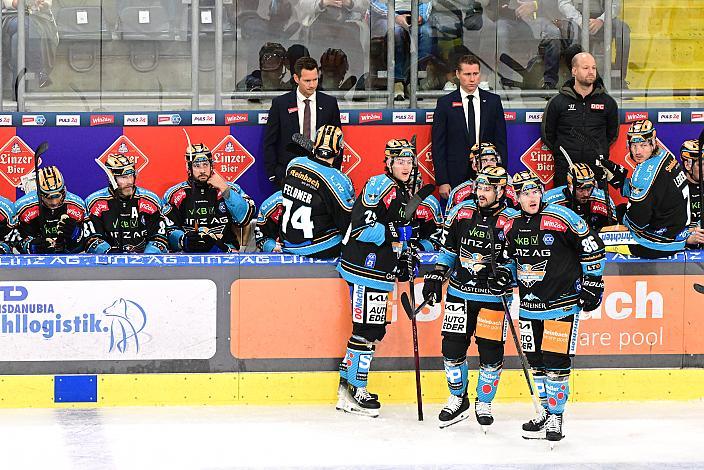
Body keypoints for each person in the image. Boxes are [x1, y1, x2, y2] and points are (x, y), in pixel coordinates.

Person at [497, 170, 605, 443]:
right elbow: (511, 260)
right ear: (516, 197)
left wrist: (593, 283)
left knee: (556, 363)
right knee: (537, 363)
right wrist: (502, 275)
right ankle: (546, 411)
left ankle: (556, 416)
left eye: (535, 191)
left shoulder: (561, 217)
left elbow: (592, 247)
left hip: (562, 304)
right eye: (524, 193)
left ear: (541, 192)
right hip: (529, 307)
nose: (531, 197)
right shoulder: (511, 224)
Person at [422, 166, 518, 429]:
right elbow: (448, 249)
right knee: (451, 348)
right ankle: (458, 398)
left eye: (487, 188)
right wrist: (437, 274)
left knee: (490, 351)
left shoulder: (512, 219)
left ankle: (484, 401)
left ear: (501, 191)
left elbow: (519, 259)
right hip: (459, 293)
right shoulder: (460, 212)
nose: (480, 193)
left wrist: (507, 276)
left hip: (493, 299)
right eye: (478, 187)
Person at [335, 138, 419, 417]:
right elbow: (363, 229)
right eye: (401, 161)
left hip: (380, 272)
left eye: (409, 161)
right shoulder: (379, 185)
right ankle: (355, 391)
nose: (406, 166)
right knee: (366, 331)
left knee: (372, 330)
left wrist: (404, 252)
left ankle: (346, 390)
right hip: (364, 269)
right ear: (389, 162)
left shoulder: (402, 191)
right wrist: (395, 237)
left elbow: (399, 229)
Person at [599, 120, 690, 259]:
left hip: (658, 244)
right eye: (634, 145)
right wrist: (617, 179)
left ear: (653, 143)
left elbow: (637, 223)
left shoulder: (644, 173)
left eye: (643, 145)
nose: (638, 151)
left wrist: (622, 221)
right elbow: (651, 192)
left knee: (598, 238)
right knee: (623, 210)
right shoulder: (665, 156)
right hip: (678, 234)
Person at [432, 54, 507, 199]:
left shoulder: (493, 102)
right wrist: (442, 180)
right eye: (467, 74)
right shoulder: (445, 103)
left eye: (475, 74)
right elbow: (438, 145)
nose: (472, 79)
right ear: (457, 74)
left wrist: (501, 174)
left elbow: (501, 142)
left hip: (487, 173)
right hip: (455, 175)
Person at [541, 52, 618, 187]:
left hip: (597, 169)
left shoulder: (608, 102)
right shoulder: (557, 102)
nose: (591, 72)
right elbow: (548, 135)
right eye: (586, 68)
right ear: (574, 71)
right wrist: (564, 153)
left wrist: (597, 151)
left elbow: (611, 135)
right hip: (566, 169)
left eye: (593, 68)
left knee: (597, 208)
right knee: (564, 208)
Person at [162, 143, 256, 253]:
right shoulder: (175, 194)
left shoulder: (230, 188)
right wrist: (184, 240)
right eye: (197, 166)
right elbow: (167, 229)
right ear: (188, 167)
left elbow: (244, 219)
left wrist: (224, 189)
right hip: (189, 252)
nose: (202, 170)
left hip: (226, 251)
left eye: (205, 164)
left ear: (212, 165)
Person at [263, 57, 342, 187]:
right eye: (307, 80)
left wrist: (333, 170)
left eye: (315, 79)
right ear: (296, 78)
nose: (312, 85)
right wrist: (274, 174)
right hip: (288, 174)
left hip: (321, 174)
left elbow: (337, 140)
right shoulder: (280, 104)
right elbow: (270, 142)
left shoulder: (330, 103)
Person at [279, 125, 355, 258]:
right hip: (314, 248)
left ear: (315, 146)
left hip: (287, 242)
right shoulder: (340, 179)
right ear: (338, 151)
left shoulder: (293, 164)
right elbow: (348, 225)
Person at [85, 154, 168, 254]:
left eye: (131, 176)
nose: (129, 181)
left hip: (145, 264)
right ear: (111, 178)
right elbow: (92, 238)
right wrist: (109, 253)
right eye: (123, 177)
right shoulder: (95, 202)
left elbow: (160, 237)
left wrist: (147, 258)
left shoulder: (150, 201)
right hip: (108, 265)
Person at [369, 0, 434, 100]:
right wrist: (394, 16)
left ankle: (413, 80)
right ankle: (397, 81)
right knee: (396, 33)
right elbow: (373, 2)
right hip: (387, 15)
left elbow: (427, 1)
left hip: (415, 12)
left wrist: (421, 16)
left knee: (427, 34)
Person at [558, 0, 630, 89]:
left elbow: (615, 5)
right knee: (571, 32)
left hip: (603, 16)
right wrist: (580, 20)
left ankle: (619, 80)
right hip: (576, 17)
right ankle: (573, 79)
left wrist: (601, 20)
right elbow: (564, 4)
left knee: (624, 30)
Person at [14, 166, 86, 254]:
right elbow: (16, 241)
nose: (54, 202)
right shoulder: (23, 207)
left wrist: (77, 234)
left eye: (57, 196)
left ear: (63, 191)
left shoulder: (77, 206)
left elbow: (88, 240)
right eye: (48, 197)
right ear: (39, 194)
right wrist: (30, 246)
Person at [494, 0, 562, 90]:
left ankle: (549, 82)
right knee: (499, 32)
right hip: (510, 19)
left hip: (539, 18)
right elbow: (494, 4)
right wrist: (514, 10)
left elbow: (553, 2)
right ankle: (507, 80)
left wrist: (535, 5)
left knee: (554, 32)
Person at [445, 142, 518, 215]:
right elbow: (449, 222)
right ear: (474, 165)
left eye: (493, 160)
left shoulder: (510, 189)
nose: (489, 164)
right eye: (484, 160)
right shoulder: (458, 192)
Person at [542, 162, 616, 231]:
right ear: (570, 186)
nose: (586, 194)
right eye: (581, 190)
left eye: (589, 189)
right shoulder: (549, 200)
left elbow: (616, 226)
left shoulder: (603, 198)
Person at [2, 0, 59, 89]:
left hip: (38, 19)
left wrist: (42, 5)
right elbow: (11, 3)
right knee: (27, 25)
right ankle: (39, 71)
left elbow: (48, 4)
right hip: (12, 18)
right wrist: (31, 1)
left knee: (17, 38)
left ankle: (17, 92)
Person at [678, 140, 704, 247]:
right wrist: (686, 239)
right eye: (701, 165)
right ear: (688, 165)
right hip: (683, 255)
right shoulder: (674, 190)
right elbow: (662, 230)